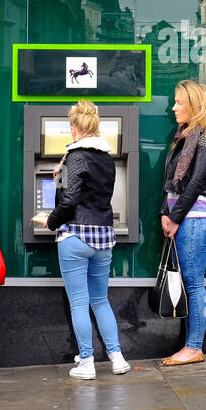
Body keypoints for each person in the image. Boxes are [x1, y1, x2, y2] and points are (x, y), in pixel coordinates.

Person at [33, 100, 129, 380]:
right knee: (100, 300)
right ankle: (117, 357)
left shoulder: (75, 156)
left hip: (75, 235)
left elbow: (70, 198)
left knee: (78, 302)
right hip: (103, 235)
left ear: (73, 128)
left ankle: (86, 361)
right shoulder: (106, 157)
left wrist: (50, 220)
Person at [160, 80, 206, 368]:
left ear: (194, 105)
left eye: (179, 102)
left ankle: (194, 347)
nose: (174, 107)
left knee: (194, 286)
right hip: (184, 218)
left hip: (194, 220)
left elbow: (194, 184)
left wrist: (174, 217)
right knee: (191, 283)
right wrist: (165, 211)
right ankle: (191, 345)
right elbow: (170, 182)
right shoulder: (183, 137)